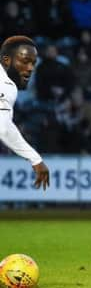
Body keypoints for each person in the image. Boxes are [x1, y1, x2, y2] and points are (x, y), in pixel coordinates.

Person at [0, 36, 49, 189]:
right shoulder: (5, 85)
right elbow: (3, 128)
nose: (30, 68)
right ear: (7, 60)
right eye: (25, 61)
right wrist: (35, 159)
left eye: (33, 63)